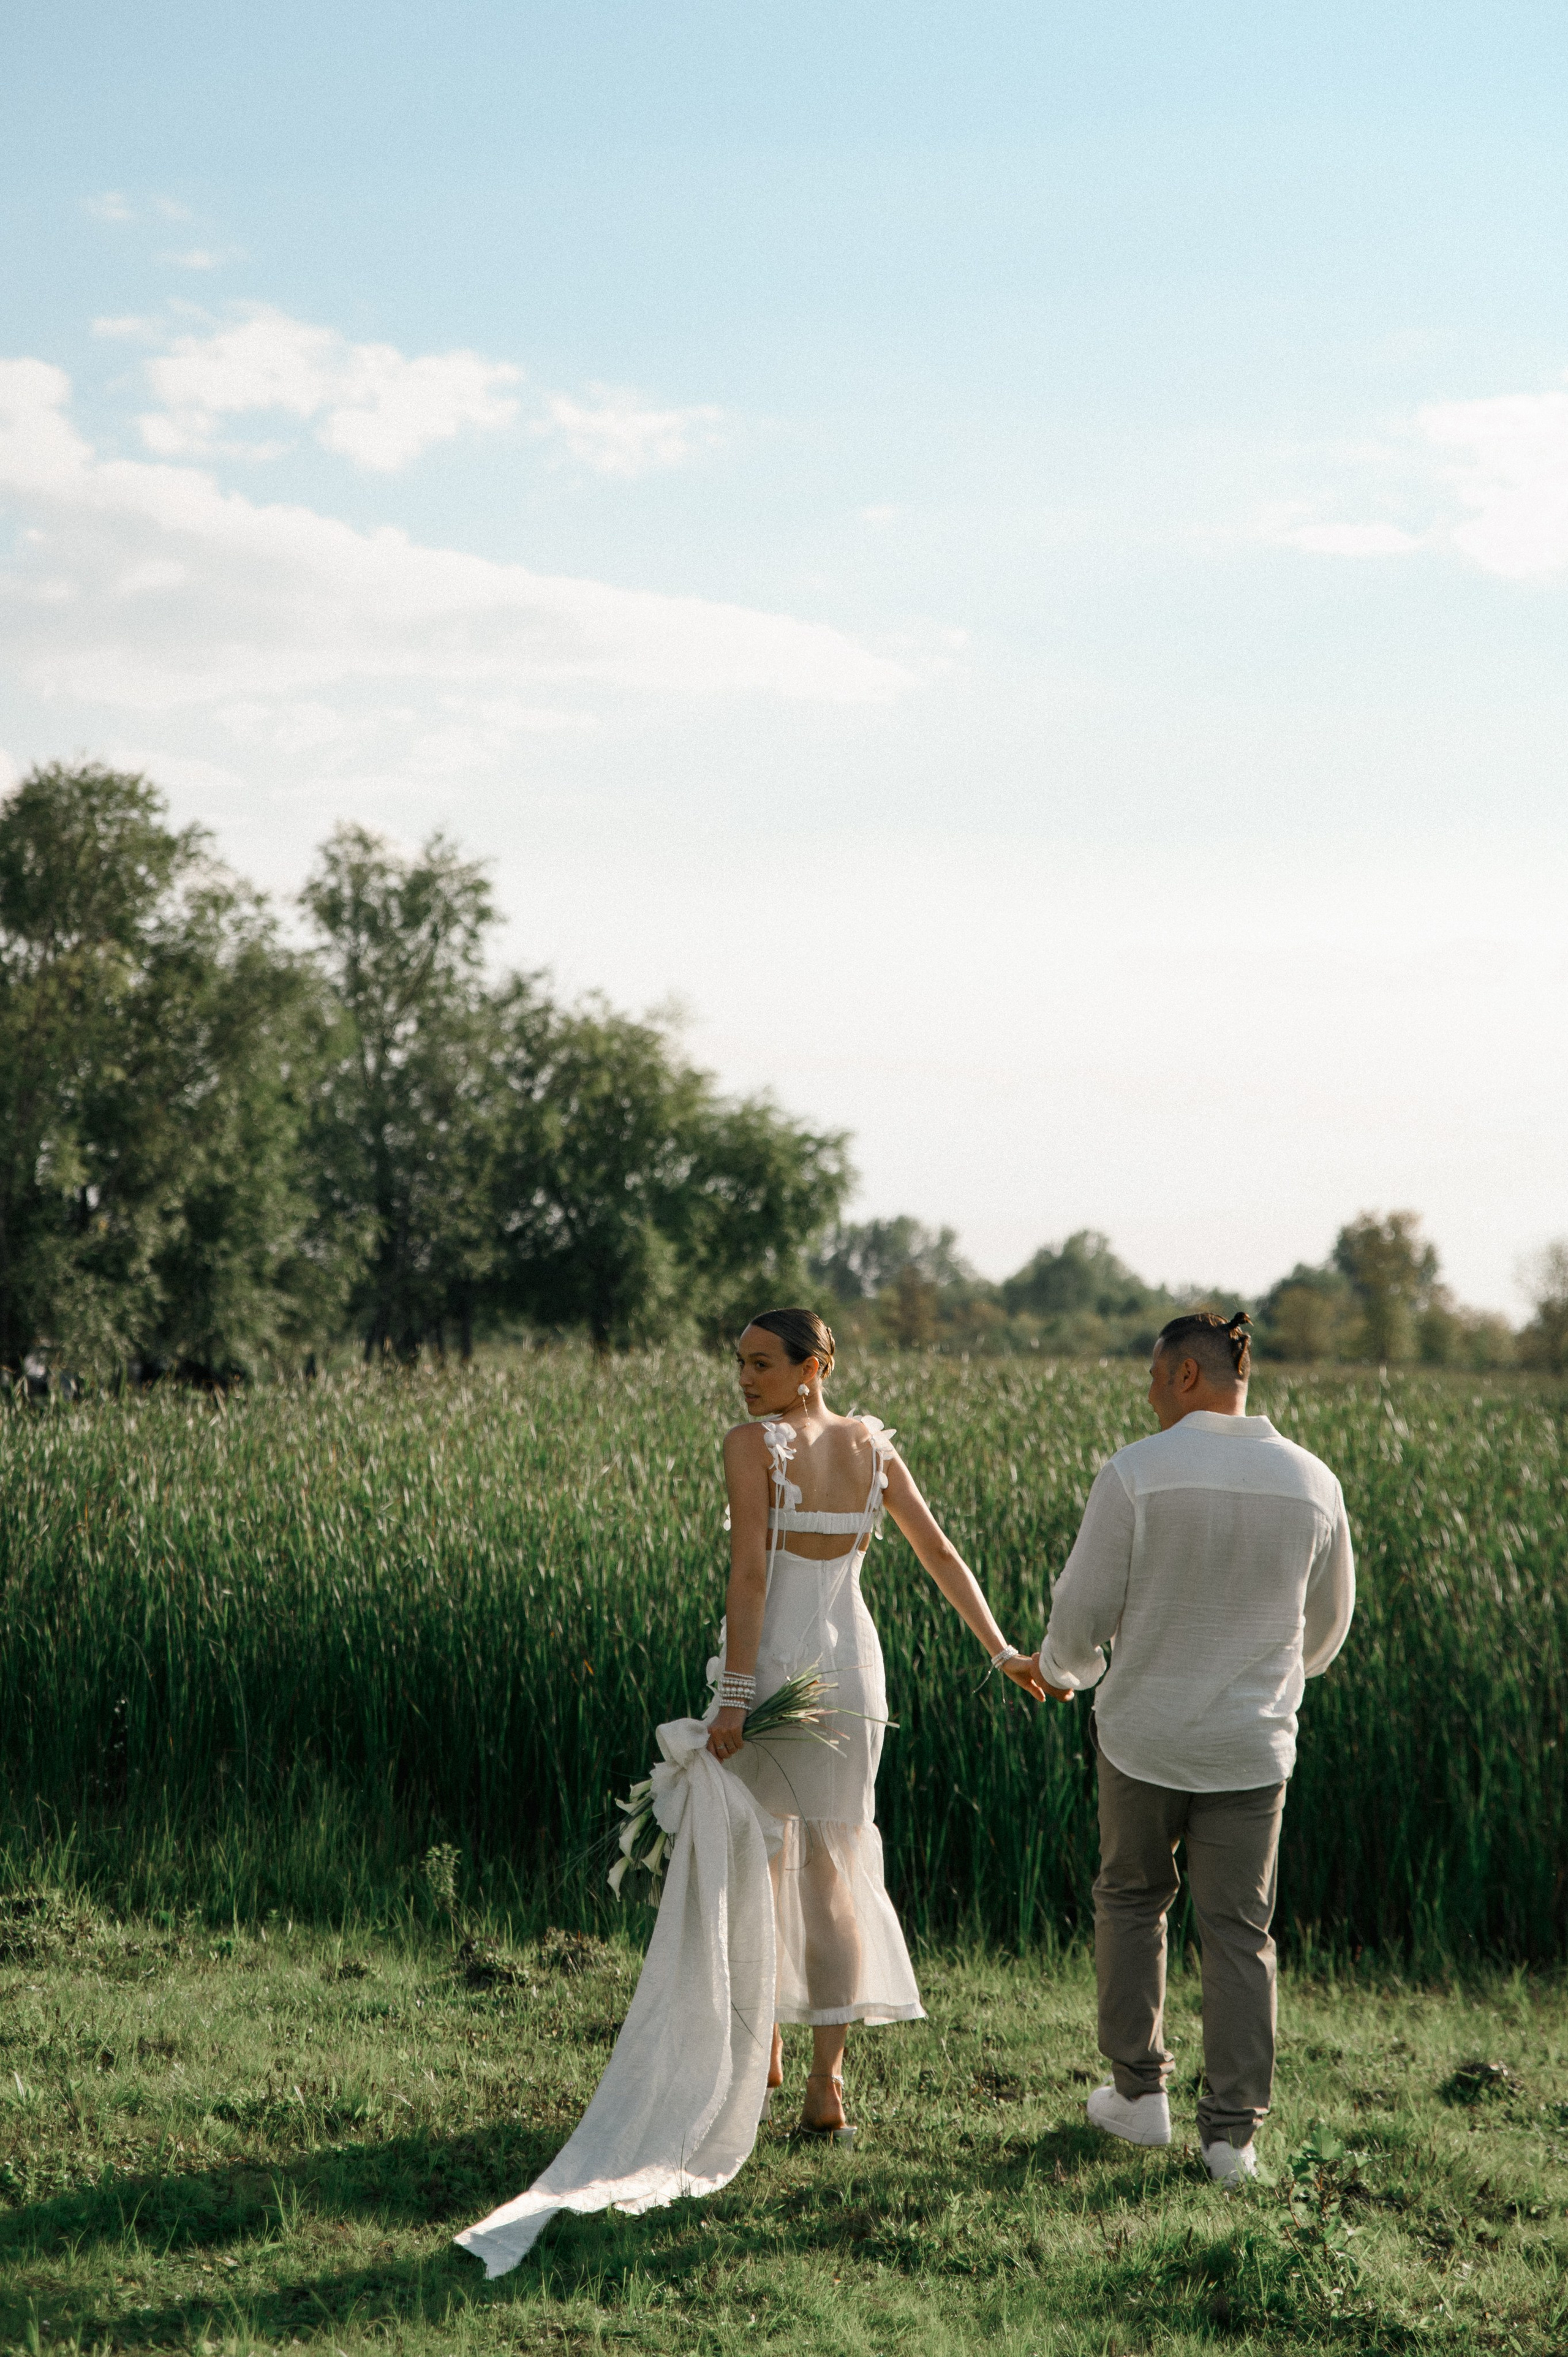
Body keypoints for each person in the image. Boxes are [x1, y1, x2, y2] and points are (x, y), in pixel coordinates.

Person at [1023, 1310, 1354, 2186]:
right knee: (1241, 1931)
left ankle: (1139, 2097)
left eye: (1152, 1377)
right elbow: (1326, 1630)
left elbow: (1081, 1608)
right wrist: (1265, 1686)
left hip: (1145, 1735)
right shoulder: (1314, 1482)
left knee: (1133, 1901)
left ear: (1185, 1375)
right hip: (1253, 1746)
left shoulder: (1136, 1472)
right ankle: (1232, 2141)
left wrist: (1062, 1670)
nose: (1148, 1395)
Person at [712, 1307, 1046, 2137]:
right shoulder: (873, 1446)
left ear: (812, 1368)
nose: (745, 1379)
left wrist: (735, 1694)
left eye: (762, 1363)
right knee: (833, 1864)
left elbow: (751, 1575)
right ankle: (824, 2082)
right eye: (741, 1362)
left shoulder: (751, 1446)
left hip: (776, 1665)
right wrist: (1002, 1650)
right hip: (855, 1670)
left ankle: (766, 2048)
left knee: (763, 1858)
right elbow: (940, 1553)